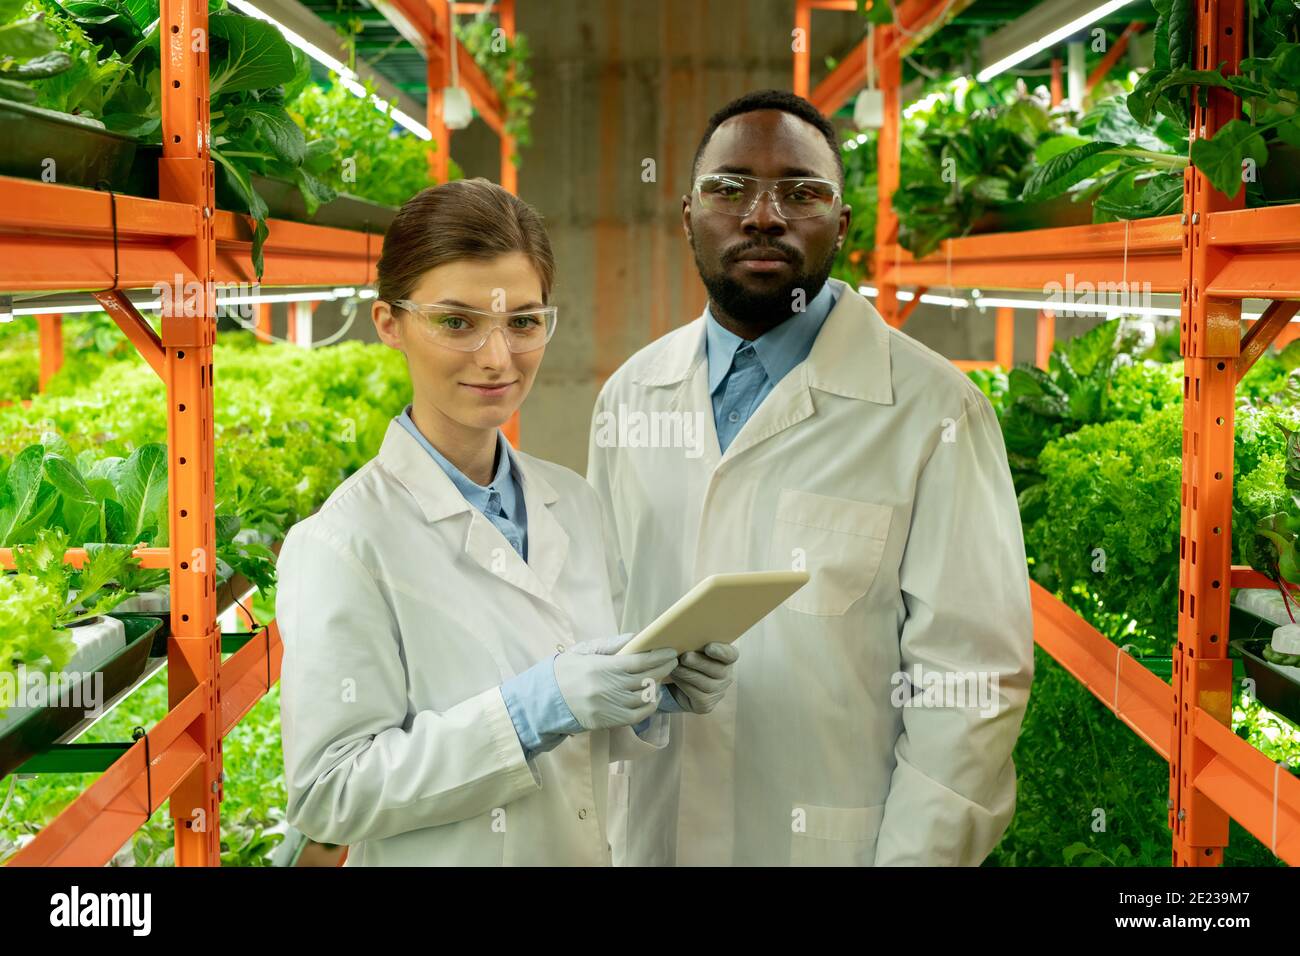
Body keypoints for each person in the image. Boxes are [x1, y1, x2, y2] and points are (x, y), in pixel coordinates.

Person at [587, 90, 1034, 866]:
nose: (764, 216)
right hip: (652, 833)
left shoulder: (933, 411)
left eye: (801, 192)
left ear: (843, 223)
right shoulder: (631, 396)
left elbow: (971, 683)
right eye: (730, 189)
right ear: (688, 215)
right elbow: (601, 617)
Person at [276, 178, 737, 866]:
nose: (497, 358)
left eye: (523, 322)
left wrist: (648, 695)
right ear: (390, 324)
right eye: (456, 322)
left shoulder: (573, 502)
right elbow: (330, 794)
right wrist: (530, 708)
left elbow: (579, 743)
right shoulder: (342, 543)